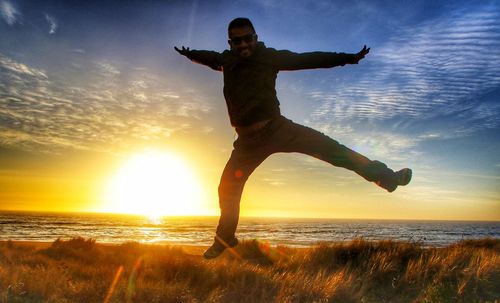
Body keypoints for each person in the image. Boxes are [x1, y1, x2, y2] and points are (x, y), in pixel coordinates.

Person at [175, 17, 412, 259]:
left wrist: (347, 58)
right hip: (246, 143)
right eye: (238, 41)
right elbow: (208, 57)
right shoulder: (227, 60)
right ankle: (225, 239)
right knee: (227, 188)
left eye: (248, 38)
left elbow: (308, 59)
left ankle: (388, 178)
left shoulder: (269, 57)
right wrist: (189, 54)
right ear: (231, 43)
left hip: (278, 130)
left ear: (255, 38)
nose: (244, 44)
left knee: (333, 150)